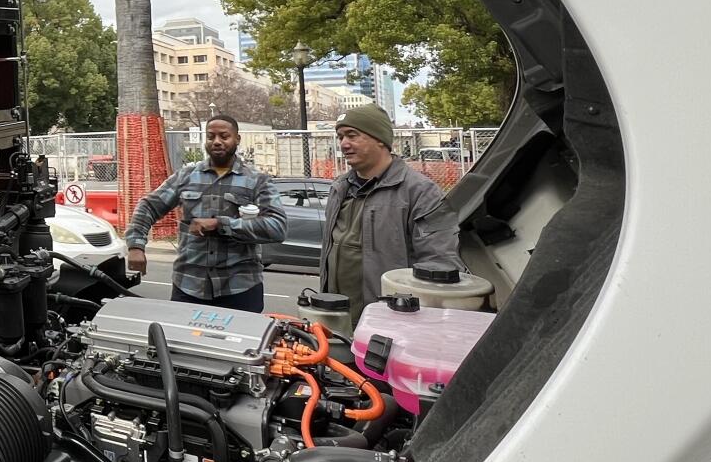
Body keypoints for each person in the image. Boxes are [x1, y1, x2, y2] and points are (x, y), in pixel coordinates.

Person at [123, 116, 285, 310]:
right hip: (189, 286)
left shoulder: (258, 181)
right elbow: (148, 206)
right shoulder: (186, 176)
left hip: (240, 289)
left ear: (237, 139)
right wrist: (135, 246)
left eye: (224, 136)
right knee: (183, 340)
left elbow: (277, 227)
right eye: (211, 136)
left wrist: (221, 225)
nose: (217, 141)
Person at [320, 104, 462, 319]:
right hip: (335, 318)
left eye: (352, 135)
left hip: (389, 320)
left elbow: (440, 263)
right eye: (340, 137)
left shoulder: (421, 191)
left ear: (380, 139)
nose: (344, 144)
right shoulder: (339, 187)